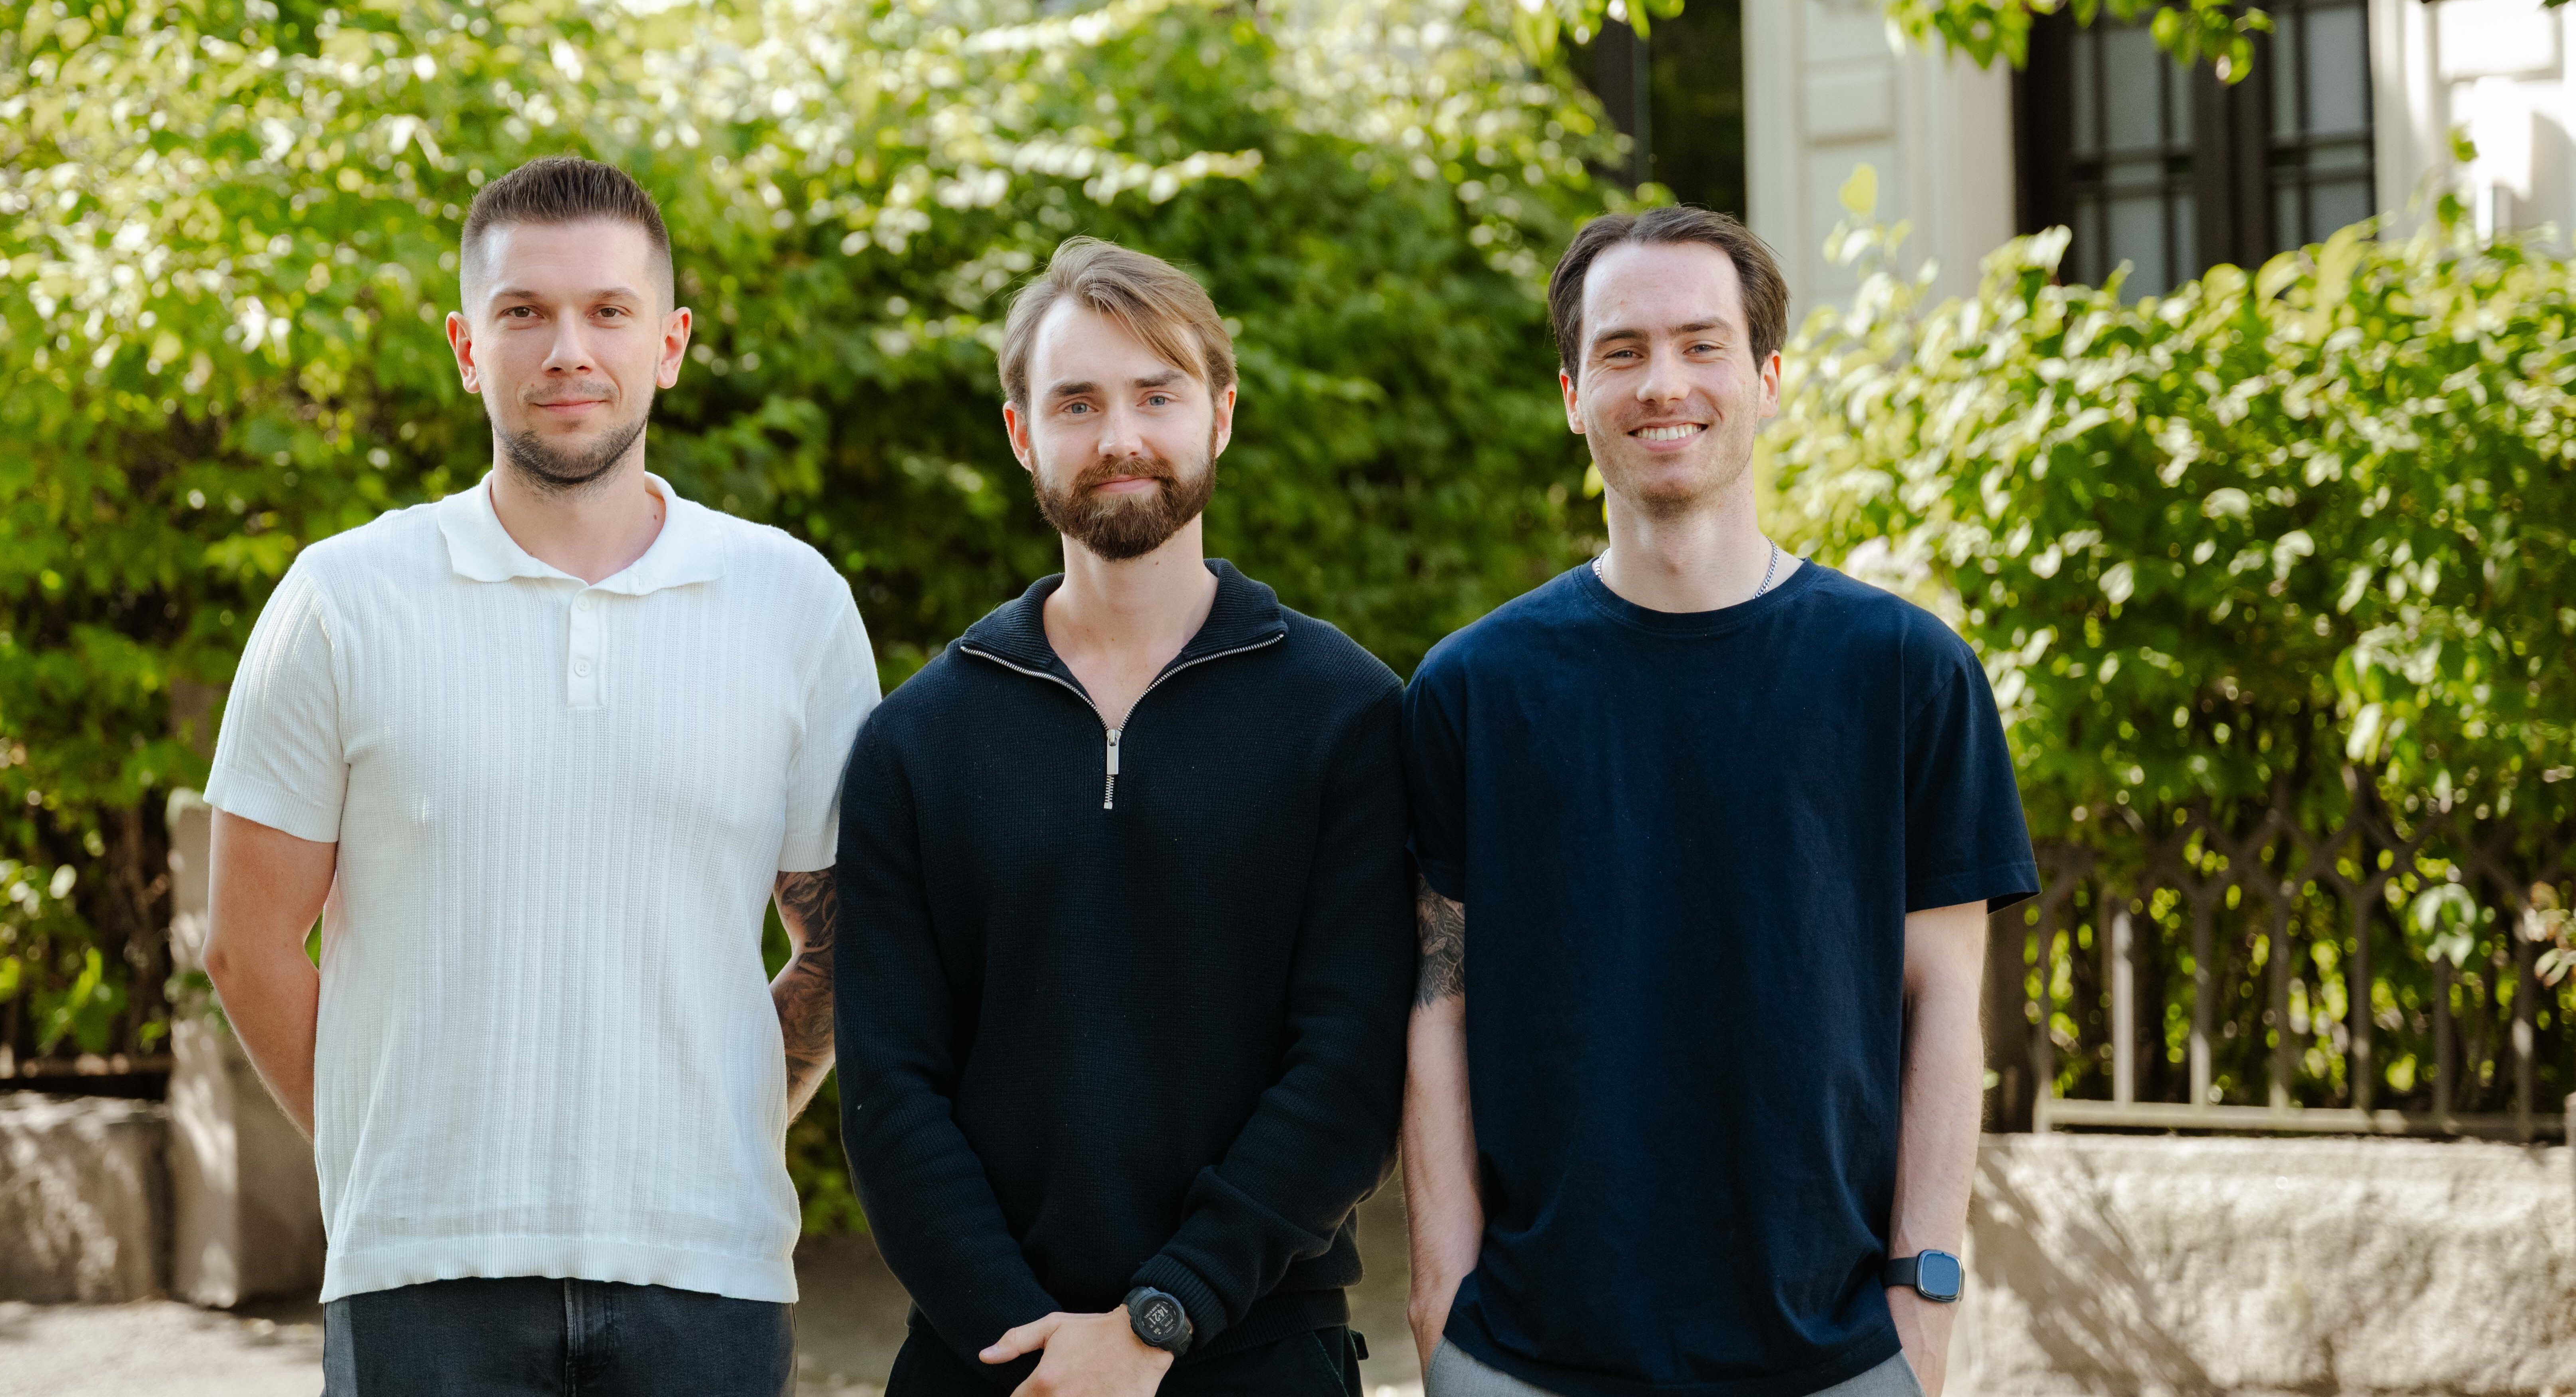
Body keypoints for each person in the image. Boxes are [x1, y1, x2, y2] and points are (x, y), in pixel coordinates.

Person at [200, 155, 879, 1397]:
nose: (569, 350)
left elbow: (843, 942)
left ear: (670, 344)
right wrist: (395, 1166)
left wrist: (719, 1124)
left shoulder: (794, 604)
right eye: (524, 312)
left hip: (708, 1274)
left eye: (609, 311)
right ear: (469, 348)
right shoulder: (342, 600)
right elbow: (247, 946)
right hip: (419, 1282)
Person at [1397, 207, 2040, 1397]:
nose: (1664, 384)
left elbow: (1948, 1003)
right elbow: (1439, 1002)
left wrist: (1923, 1300)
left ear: (1768, 379)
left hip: (1838, 1354)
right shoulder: (1472, 690)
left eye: (1702, 344)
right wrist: (1443, 1304)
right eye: (1623, 351)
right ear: (1573, 394)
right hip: (1527, 1357)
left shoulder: (1906, 673)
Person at [833, 237, 1414, 1397]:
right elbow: (890, 1091)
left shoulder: (1346, 715)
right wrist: (1033, 1343)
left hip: (1259, 1351)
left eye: (1158, 395)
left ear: (1222, 416)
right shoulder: (918, 741)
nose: (1119, 438)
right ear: (1021, 434)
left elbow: (1349, 1070)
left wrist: (1160, 1318)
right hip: (989, 1360)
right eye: (1078, 403)